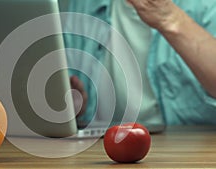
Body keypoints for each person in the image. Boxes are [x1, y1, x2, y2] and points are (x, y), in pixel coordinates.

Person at [64, 0, 216, 127]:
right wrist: (71, 106)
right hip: (99, 150)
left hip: (188, 151)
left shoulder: (206, 5)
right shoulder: (83, 5)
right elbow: (69, 94)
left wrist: (170, 18)